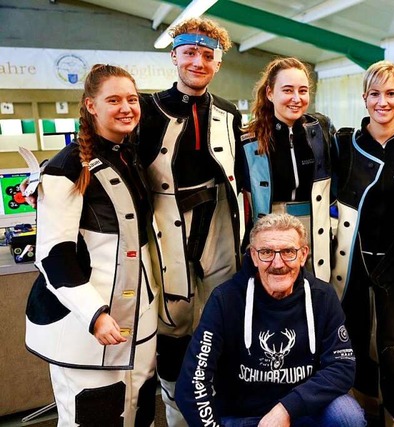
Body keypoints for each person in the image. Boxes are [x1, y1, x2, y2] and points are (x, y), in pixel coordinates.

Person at [24, 64, 158, 426]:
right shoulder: (66, 167)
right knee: (93, 414)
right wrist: (94, 314)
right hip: (86, 324)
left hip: (138, 319)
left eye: (132, 99)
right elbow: (54, 255)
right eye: (113, 99)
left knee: (138, 407)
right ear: (91, 106)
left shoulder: (129, 155)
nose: (126, 107)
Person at [137, 17, 244, 425]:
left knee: (219, 314)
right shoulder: (148, 109)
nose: (198, 61)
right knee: (174, 320)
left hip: (217, 220)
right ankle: (176, 412)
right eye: (190, 53)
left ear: (217, 63)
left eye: (207, 55)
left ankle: (217, 404)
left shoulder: (229, 113)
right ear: (174, 56)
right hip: (165, 225)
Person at [175, 213, 365, 427]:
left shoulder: (323, 297)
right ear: (254, 256)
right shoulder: (225, 300)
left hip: (302, 412)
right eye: (266, 252)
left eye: (288, 252)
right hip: (244, 417)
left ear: (303, 255)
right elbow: (192, 383)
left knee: (347, 416)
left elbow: (342, 366)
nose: (278, 263)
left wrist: (286, 409)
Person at [331, 60, 394, 426]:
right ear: (364, 98)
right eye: (375, 94)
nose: (382, 102)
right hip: (353, 258)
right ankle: (368, 410)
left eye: (390, 93)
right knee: (354, 337)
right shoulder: (345, 144)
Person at [239, 57, 335, 282]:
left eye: (303, 91)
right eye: (287, 90)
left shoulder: (321, 132)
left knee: (313, 291)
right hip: (271, 227)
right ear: (270, 93)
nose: (296, 98)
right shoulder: (248, 140)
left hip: (314, 226)